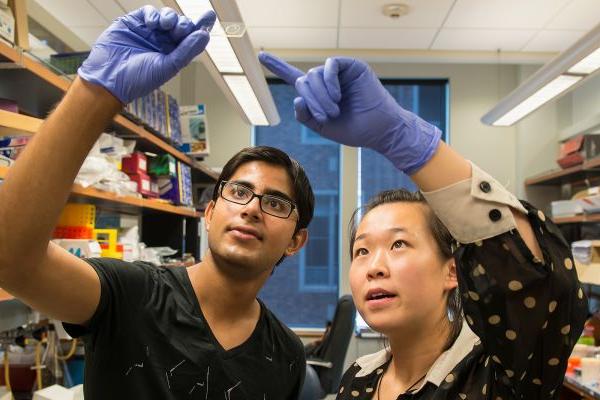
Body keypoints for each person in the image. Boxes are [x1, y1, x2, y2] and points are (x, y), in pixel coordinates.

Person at [0, 7, 314, 399]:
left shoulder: (286, 355)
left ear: (295, 241)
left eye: (276, 204)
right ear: (210, 211)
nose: (251, 208)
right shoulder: (130, 293)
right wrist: (95, 92)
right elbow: (11, 258)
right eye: (238, 191)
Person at [259, 52, 588, 399]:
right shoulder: (357, 380)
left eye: (398, 244)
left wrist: (402, 138)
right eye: (361, 250)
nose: (374, 267)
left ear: (453, 271)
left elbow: (538, 280)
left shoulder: (498, 375)